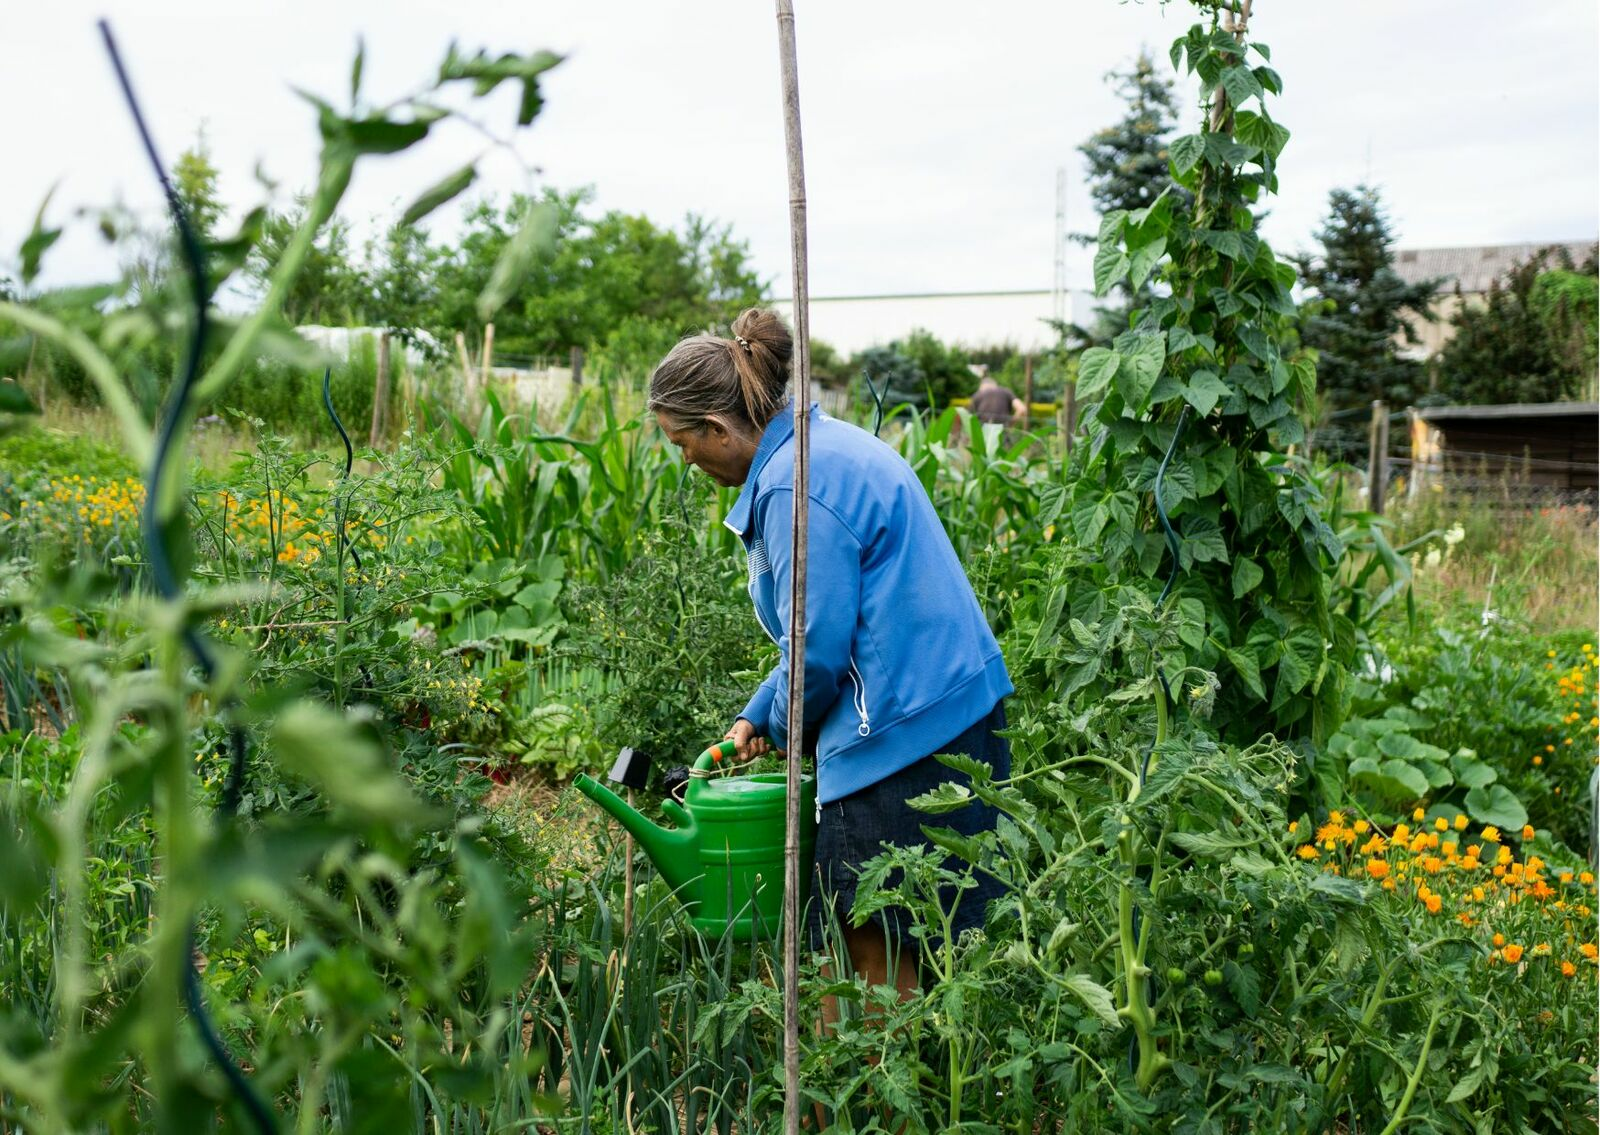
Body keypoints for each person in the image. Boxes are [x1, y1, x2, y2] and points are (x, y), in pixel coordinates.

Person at [647, 307, 1013, 1001]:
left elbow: (815, 651)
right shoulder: (820, 446)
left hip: (905, 737)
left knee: (864, 957)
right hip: (955, 711)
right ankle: (930, 1092)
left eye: (682, 443)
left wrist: (786, 732)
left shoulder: (792, 483)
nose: (686, 461)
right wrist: (757, 715)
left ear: (717, 429)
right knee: (933, 951)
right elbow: (821, 628)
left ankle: (870, 1108)